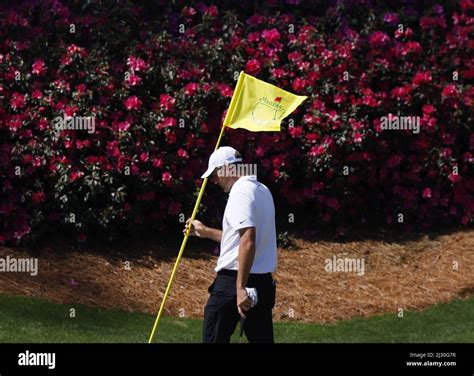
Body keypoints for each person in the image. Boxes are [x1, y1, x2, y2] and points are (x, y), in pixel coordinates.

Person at [184, 146, 277, 343]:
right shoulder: (262, 190)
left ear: (227, 168)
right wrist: (205, 232)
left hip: (233, 281)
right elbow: (239, 239)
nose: (213, 181)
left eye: (215, 174)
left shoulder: (240, 192)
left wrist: (240, 288)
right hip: (262, 284)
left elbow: (248, 240)